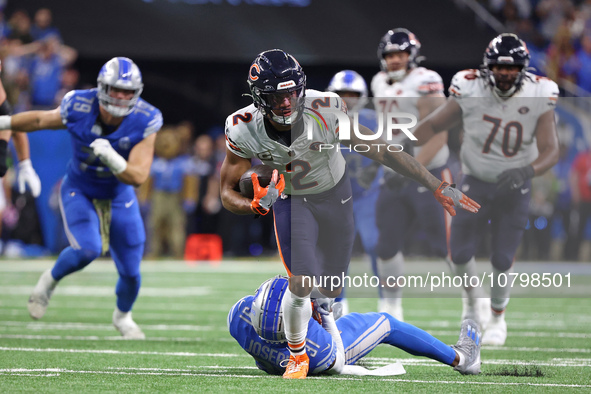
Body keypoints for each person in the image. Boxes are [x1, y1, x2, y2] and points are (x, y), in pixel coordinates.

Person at [220, 49, 480, 379]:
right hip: (293, 198)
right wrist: (434, 183)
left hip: (332, 196)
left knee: (321, 290)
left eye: (290, 93)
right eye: (276, 96)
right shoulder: (245, 127)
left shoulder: (241, 318)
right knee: (307, 285)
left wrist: (252, 204)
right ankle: (459, 357)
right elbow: (227, 192)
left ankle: (318, 315)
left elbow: (381, 148)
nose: (286, 102)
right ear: (260, 98)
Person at [0, 57, 163, 339]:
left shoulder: (146, 118)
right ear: (102, 87)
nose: (122, 97)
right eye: (116, 89)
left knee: (131, 272)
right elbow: (40, 119)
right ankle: (49, 281)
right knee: (87, 249)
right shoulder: (79, 105)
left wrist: (112, 158)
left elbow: (137, 176)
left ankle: (123, 316)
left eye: (128, 91)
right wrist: (2, 121)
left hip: (118, 193)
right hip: (80, 188)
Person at [413, 33, 559, 346]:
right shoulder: (469, 86)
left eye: (512, 68)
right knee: (460, 252)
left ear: (523, 69)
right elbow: (436, 124)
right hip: (474, 182)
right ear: (487, 67)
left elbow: (550, 149)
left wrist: (526, 170)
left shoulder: (539, 92)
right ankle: (471, 303)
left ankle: (496, 317)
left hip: (514, 186)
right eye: (499, 68)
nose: (506, 74)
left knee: (502, 258)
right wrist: (397, 147)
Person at [228, 275, 482, 376]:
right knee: (386, 323)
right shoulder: (316, 350)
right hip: (322, 356)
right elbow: (337, 361)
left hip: (272, 362)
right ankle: (461, 358)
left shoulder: (239, 316)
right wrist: (325, 316)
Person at [371, 28, 453, 321]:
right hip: (393, 173)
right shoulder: (379, 82)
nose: (394, 60)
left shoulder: (426, 81)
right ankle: (392, 307)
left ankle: (476, 302)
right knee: (386, 244)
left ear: (412, 56)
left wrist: (410, 170)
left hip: (429, 172)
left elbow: (439, 135)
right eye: (390, 55)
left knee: (448, 247)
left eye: (400, 54)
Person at [325, 69, 381, 318]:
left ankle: (389, 302)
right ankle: (338, 303)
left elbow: (390, 152)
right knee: (335, 250)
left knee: (376, 245)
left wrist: (377, 172)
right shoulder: (321, 119)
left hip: (368, 195)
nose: (347, 99)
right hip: (337, 196)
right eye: (341, 94)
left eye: (352, 94)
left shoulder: (371, 118)